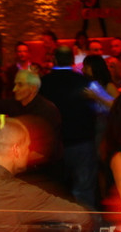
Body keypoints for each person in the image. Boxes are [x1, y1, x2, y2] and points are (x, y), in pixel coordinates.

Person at [41, 45, 97, 207]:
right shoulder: (84, 82)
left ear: (54, 59)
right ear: (73, 60)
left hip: (54, 144)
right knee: (83, 192)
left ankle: (59, 222)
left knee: (56, 192)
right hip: (82, 142)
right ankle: (85, 221)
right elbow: (103, 106)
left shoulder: (44, 82)